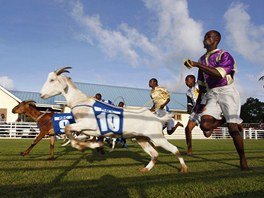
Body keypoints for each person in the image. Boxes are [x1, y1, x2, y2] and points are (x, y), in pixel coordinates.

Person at [184, 30, 249, 170]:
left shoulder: (224, 55)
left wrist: (196, 65)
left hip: (227, 92)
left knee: (232, 130)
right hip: (211, 94)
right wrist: (199, 102)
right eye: (205, 36)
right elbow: (201, 83)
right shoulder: (202, 59)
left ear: (216, 40)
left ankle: (243, 159)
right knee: (205, 125)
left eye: (209, 36)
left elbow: (219, 74)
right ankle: (225, 119)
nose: (205, 38)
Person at [184, 75, 206, 155]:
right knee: (187, 129)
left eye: (188, 80)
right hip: (195, 112)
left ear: (193, 80)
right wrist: (189, 109)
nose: (186, 82)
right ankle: (189, 149)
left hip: (204, 109)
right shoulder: (188, 92)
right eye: (185, 81)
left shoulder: (200, 85)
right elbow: (189, 102)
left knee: (207, 134)